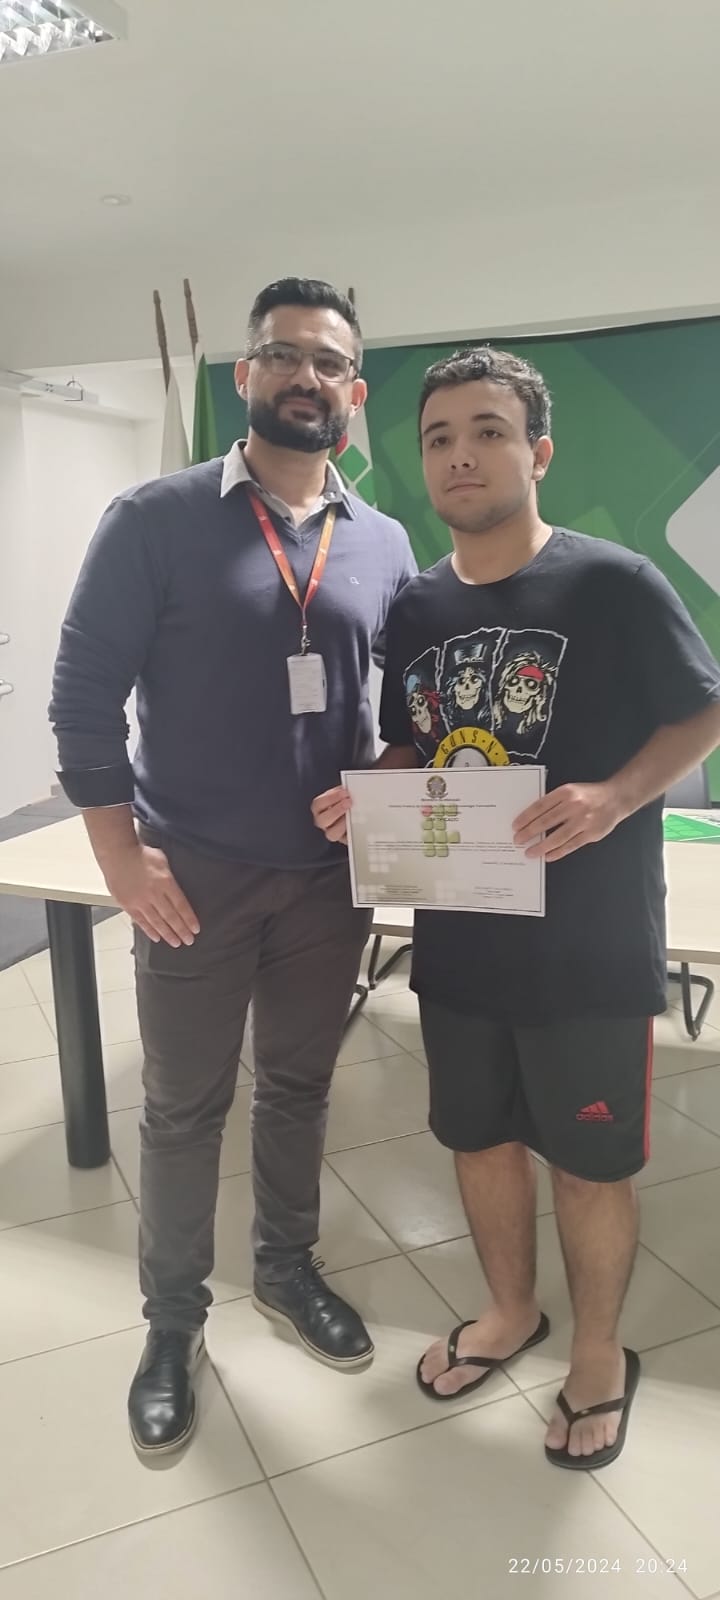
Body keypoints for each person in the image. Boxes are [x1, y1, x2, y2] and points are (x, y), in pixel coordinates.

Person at [312, 346, 720, 1471]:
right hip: (457, 936)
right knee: (479, 1140)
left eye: (488, 431)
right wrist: (370, 794)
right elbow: (417, 741)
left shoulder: (613, 582)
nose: (461, 454)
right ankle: (510, 1313)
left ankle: (596, 1349)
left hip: (589, 944)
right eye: (439, 437)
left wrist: (614, 797)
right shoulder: (418, 604)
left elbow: (702, 710)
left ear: (537, 451)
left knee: (589, 1165)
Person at [49, 277, 416, 1456]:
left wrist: (385, 781)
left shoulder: (383, 539)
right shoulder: (154, 518)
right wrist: (121, 858)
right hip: (192, 877)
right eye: (285, 355)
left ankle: (286, 1266)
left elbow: (407, 702)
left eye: (330, 363)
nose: (307, 377)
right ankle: (171, 1323)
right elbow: (83, 697)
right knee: (182, 1107)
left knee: (299, 1087)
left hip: (326, 881)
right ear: (247, 375)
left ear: (354, 394)